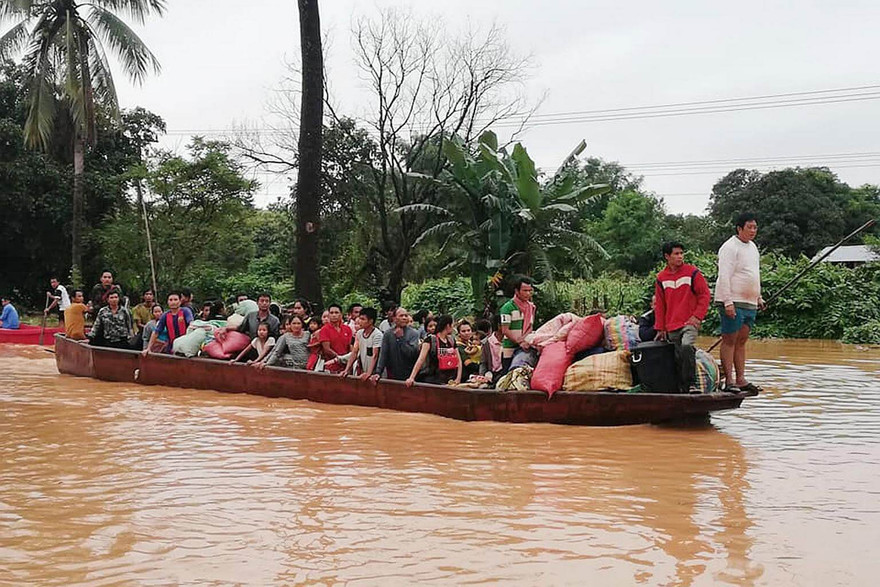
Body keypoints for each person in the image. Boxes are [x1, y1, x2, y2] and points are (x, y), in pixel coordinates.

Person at [716, 212, 766, 393]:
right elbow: (724, 276)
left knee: (742, 341)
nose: (753, 231)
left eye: (755, 227)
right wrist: (727, 302)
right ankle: (729, 381)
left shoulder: (753, 247)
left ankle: (741, 379)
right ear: (739, 228)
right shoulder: (729, 247)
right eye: (749, 227)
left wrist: (758, 297)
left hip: (749, 301)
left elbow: (754, 273)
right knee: (729, 340)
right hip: (733, 300)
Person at [653, 242, 711, 392]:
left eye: (681, 253)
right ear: (667, 256)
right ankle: (682, 388)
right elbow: (660, 305)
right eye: (676, 254)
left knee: (686, 346)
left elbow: (704, 295)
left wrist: (697, 317)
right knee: (678, 357)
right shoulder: (661, 278)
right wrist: (660, 328)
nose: (680, 257)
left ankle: (692, 384)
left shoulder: (692, 272)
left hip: (689, 322)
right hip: (672, 324)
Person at [406, 314, 462, 386]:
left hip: (450, 379)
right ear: (448, 325)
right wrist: (411, 378)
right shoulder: (430, 340)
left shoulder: (451, 340)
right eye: (452, 325)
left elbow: (459, 361)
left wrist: (458, 378)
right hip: (433, 379)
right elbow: (421, 359)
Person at [371, 307, 421, 383]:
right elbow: (383, 354)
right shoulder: (388, 334)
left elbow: (412, 354)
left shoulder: (413, 333)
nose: (404, 318)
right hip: (392, 373)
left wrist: (401, 339)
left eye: (406, 315)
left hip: (409, 374)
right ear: (394, 318)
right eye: (401, 316)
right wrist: (378, 372)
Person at [500, 276, 537, 372]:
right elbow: (505, 330)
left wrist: (525, 341)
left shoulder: (531, 307)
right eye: (525, 291)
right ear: (517, 291)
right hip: (510, 348)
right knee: (507, 375)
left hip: (525, 347)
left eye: (530, 291)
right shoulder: (507, 307)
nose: (528, 293)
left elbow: (530, 326)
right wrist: (519, 342)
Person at [341, 307, 384, 379]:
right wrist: (346, 370)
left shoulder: (377, 335)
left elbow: (375, 355)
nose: (360, 321)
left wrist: (368, 373)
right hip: (364, 369)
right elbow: (354, 352)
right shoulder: (359, 333)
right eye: (360, 318)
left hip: (376, 373)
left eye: (363, 319)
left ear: (370, 321)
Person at [317, 304, 353, 373]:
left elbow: (350, 347)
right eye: (331, 313)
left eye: (336, 313)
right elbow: (327, 349)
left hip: (346, 366)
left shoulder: (347, 329)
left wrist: (348, 360)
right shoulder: (324, 329)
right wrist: (340, 358)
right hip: (331, 366)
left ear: (341, 315)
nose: (334, 315)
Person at [479, 314, 504, 385]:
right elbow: (483, 362)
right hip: (491, 374)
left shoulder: (509, 341)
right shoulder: (487, 342)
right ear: (499, 325)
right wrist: (482, 377)